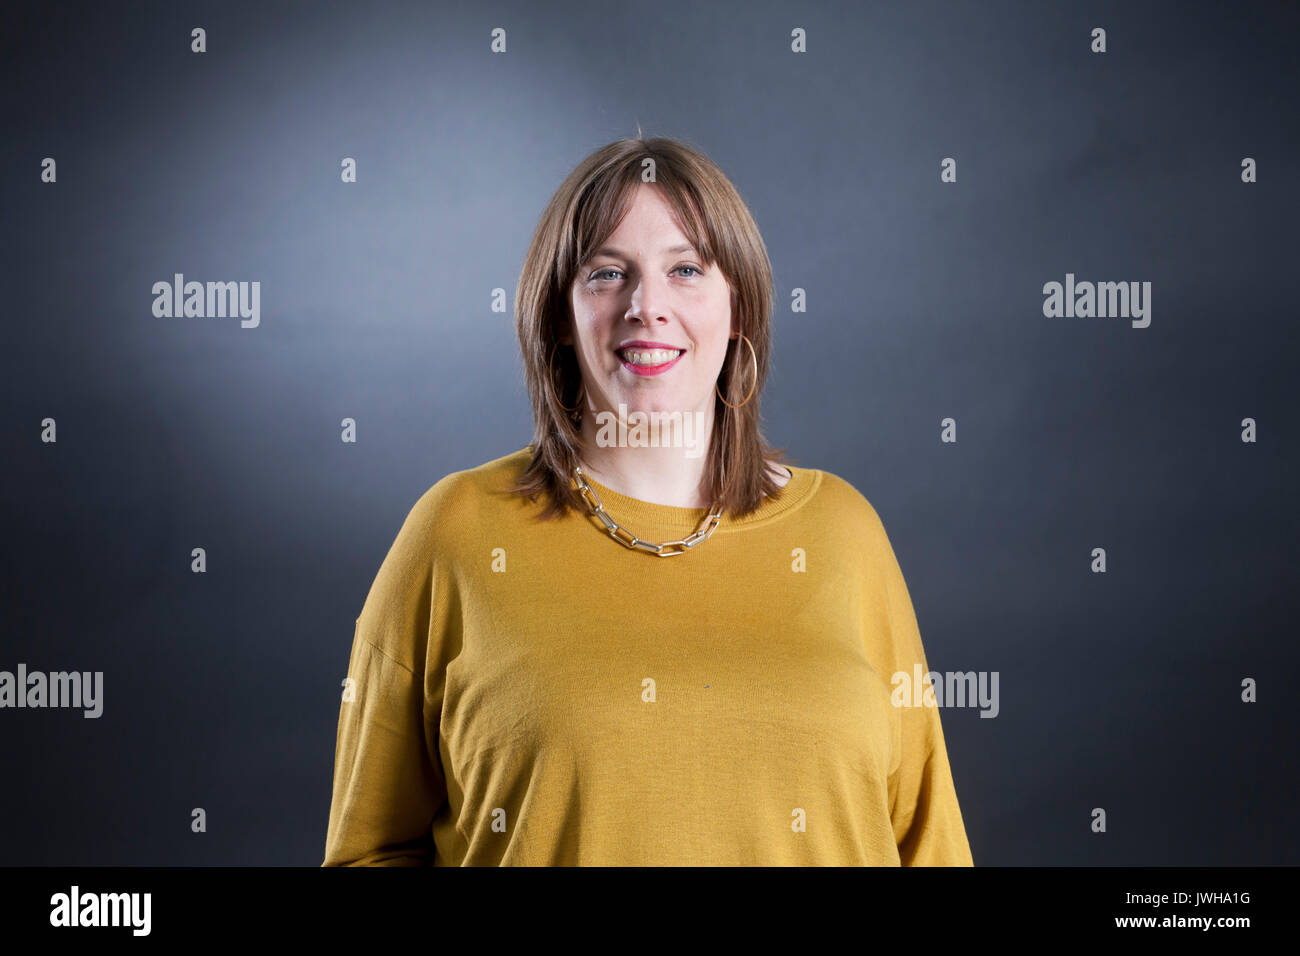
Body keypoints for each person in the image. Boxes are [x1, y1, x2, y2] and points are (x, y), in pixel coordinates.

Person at [321, 136, 974, 866]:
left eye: (686, 269)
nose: (646, 307)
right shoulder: (457, 532)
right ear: (562, 321)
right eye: (607, 273)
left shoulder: (845, 532)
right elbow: (366, 853)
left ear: (738, 312)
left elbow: (931, 845)